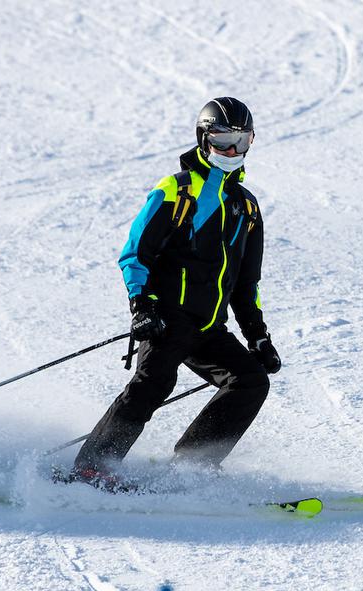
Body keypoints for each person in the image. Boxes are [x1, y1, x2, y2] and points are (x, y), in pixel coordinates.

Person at [71, 97, 282, 490]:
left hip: (208, 327)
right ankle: (91, 467)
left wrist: (258, 336)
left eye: (242, 140)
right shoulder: (178, 190)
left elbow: (245, 284)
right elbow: (135, 253)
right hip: (167, 319)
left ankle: (192, 466)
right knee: (153, 382)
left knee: (250, 380)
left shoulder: (247, 207)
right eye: (223, 140)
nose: (233, 151)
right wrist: (143, 305)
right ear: (204, 140)